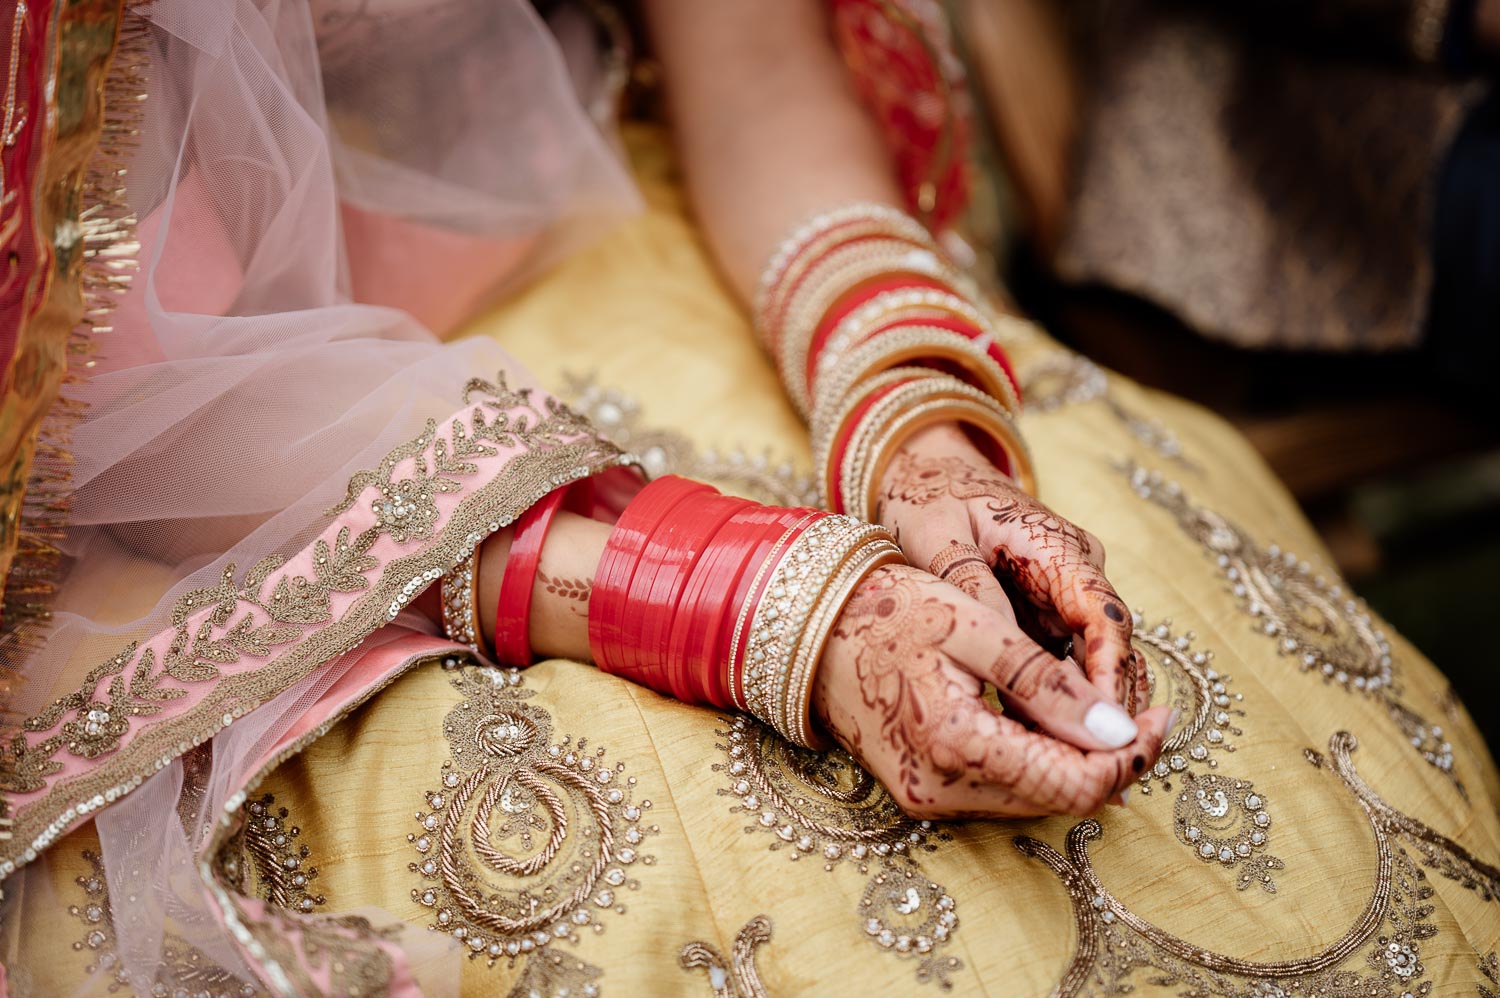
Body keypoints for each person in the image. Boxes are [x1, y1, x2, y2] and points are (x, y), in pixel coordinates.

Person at [0, 1, 1495, 995]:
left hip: (633, 215)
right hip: (173, 441)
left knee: (1231, 722)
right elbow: (100, 390)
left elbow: (756, 70)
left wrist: (918, 436)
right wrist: (759, 604)